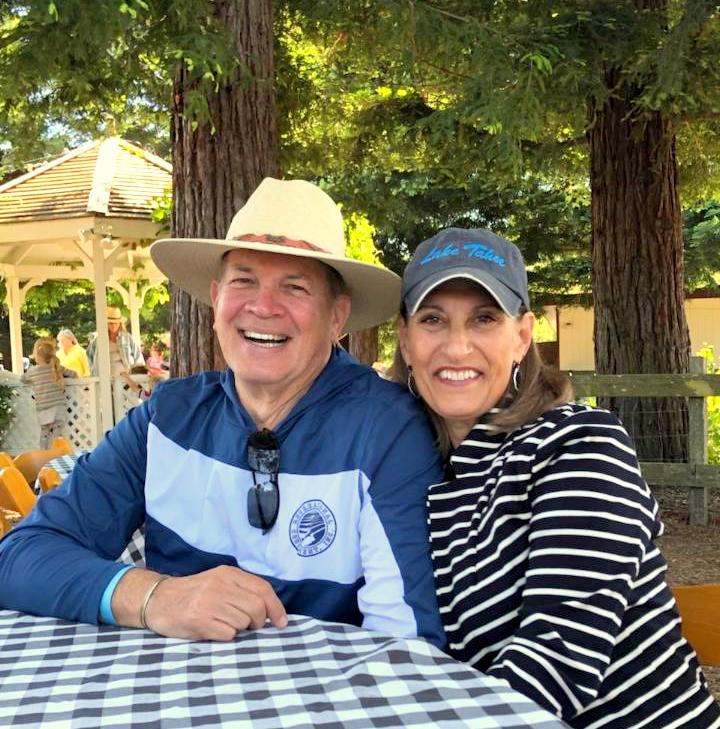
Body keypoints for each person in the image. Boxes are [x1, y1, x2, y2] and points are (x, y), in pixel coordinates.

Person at [0, 178, 445, 649]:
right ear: (216, 299)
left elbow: (406, 642)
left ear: (336, 316)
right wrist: (156, 596)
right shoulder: (166, 418)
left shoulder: (387, 430)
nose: (263, 306)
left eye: (294, 287)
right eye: (243, 281)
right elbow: (19, 557)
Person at [393, 227, 720, 728]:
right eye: (433, 319)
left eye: (484, 319)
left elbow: (556, 663)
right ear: (405, 339)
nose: (456, 347)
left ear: (522, 337)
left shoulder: (581, 446)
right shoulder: (413, 464)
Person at [21, 338, 77, 448]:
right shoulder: (57, 368)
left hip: (43, 409)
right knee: (56, 435)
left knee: (44, 434)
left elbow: (22, 379)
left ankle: (45, 453)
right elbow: (74, 374)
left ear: (37, 355)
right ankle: (55, 451)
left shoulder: (33, 371)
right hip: (59, 408)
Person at [86, 307, 145, 377]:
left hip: (126, 378)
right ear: (106, 324)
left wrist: (139, 374)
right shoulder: (99, 340)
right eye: (111, 323)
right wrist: (93, 370)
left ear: (120, 323)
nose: (113, 326)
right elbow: (89, 355)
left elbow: (137, 356)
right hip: (105, 378)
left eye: (116, 323)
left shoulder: (127, 338)